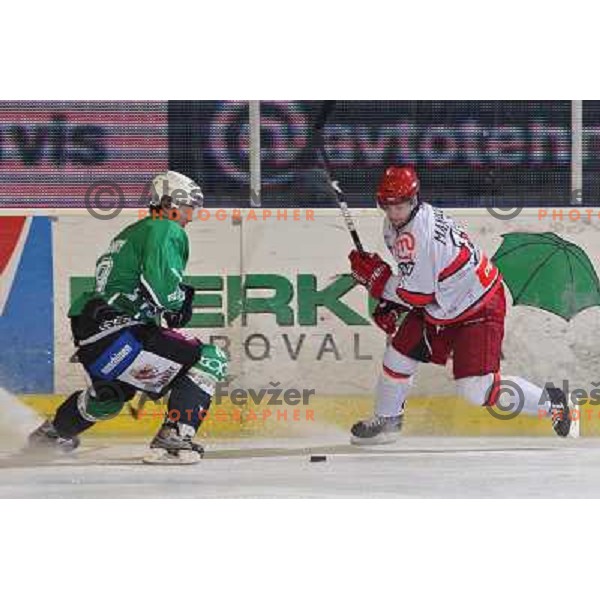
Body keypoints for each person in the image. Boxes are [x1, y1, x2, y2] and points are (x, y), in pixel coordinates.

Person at [348, 166, 576, 445]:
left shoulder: (419, 235)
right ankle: (388, 422)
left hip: (478, 306)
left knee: (476, 390)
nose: (394, 211)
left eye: (401, 204)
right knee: (397, 356)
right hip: (444, 303)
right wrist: (390, 300)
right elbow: (419, 280)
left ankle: (552, 403)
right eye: (388, 204)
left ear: (414, 198)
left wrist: (379, 282)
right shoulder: (401, 224)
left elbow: (419, 296)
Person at [28, 170, 228, 463]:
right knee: (210, 358)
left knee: (107, 399)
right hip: (119, 329)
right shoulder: (165, 228)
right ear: (169, 201)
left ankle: (51, 435)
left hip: (92, 332)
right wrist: (177, 301)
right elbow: (160, 288)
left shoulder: (133, 232)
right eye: (188, 205)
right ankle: (175, 438)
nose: (191, 214)